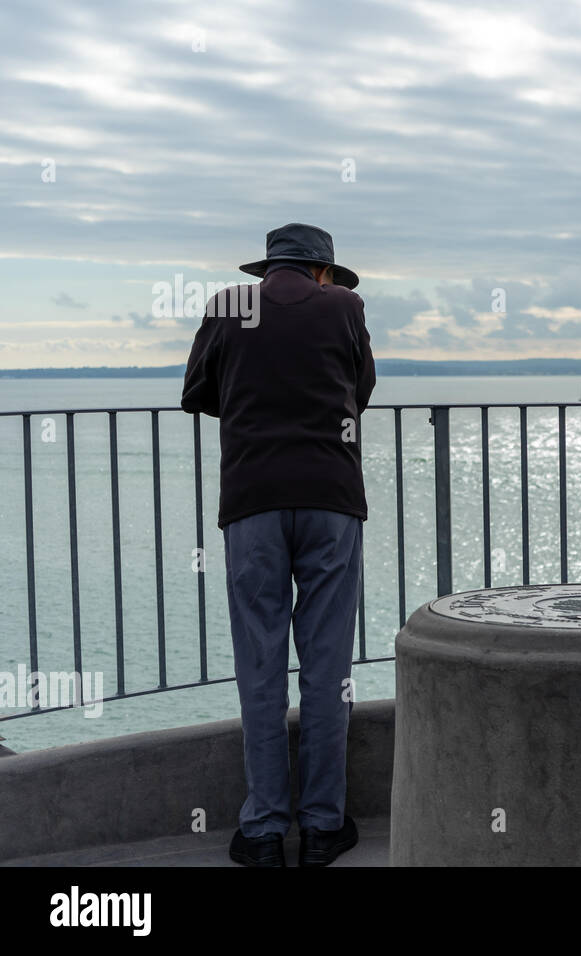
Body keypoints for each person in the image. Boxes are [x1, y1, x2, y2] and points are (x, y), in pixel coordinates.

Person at [181, 223, 376, 867]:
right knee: (328, 671)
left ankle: (264, 829)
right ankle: (323, 827)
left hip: (253, 500)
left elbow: (197, 393)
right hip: (331, 498)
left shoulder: (229, 306)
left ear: (267, 268)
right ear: (324, 272)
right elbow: (362, 390)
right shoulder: (347, 307)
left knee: (260, 666)